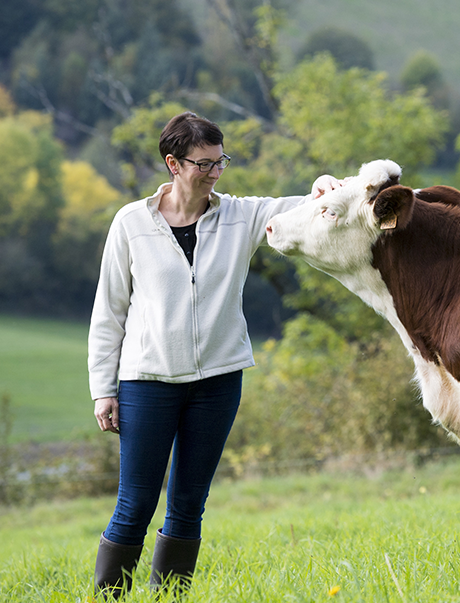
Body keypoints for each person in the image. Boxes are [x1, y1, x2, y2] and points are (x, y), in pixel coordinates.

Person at [88, 111, 344, 599]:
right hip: (147, 383)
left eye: (219, 162)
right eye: (202, 164)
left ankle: (169, 596)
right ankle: (108, 597)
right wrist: (104, 390)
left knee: (188, 502)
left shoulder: (241, 216)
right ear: (173, 164)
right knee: (135, 503)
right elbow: (109, 312)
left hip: (218, 383)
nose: (214, 172)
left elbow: (303, 208)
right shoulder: (131, 223)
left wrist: (326, 187)